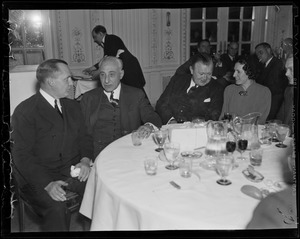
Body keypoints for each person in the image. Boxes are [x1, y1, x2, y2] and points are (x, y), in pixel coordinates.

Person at [11, 59, 93, 231]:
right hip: (38, 177)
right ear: (50, 82)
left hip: (70, 170)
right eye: (67, 79)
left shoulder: (72, 106)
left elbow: (84, 137)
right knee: (57, 208)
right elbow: (21, 156)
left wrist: (85, 160)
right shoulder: (25, 111)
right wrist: (47, 183)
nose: (72, 83)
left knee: (99, 189)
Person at [80, 56, 162, 158]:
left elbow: (153, 117)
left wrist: (148, 126)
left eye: (111, 75)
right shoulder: (89, 98)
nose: (106, 80)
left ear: (121, 74)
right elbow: (82, 133)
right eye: (102, 75)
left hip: (128, 152)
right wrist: (85, 159)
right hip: (98, 154)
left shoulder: (135, 95)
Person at [156, 52, 224, 124]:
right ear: (191, 70)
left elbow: (213, 116)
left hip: (197, 130)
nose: (205, 78)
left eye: (209, 74)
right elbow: (161, 104)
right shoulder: (177, 80)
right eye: (201, 74)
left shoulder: (217, 88)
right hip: (171, 127)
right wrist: (171, 121)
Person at [83, 25, 146, 90]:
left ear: (100, 34)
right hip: (127, 67)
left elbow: (110, 59)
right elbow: (105, 59)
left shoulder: (111, 39)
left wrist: (98, 71)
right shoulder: (109, 40)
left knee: (135, 91)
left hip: (130, 68)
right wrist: (91, 68)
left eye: (95, 37)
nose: (94, 40)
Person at [219, 59, 271, 124]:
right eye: (234, 71)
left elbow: (261, 122)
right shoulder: (229, 90)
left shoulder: (264, 92)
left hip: (252, 132)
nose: (234, 75)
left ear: (249, 72)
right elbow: (223, 117)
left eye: (238, 71)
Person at [255, 42, 288, 121]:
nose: (259, 56)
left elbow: (274, 87)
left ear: (269, 50)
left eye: (261, 52)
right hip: (268, 99)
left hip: (274, 102)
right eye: (257, 54)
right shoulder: (265, 65)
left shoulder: (277, 63)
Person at [276, 57, 294, 135]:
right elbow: (280, 118)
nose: (286, 73)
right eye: (286, 69)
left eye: (291, 69)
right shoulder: (289, 90)